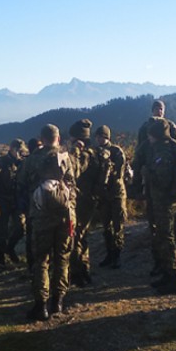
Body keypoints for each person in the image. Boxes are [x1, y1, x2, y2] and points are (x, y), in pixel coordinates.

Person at [132, 99, 176, 278]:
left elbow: (140, 167)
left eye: (160, 108)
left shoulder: (163, 143)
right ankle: (166, 263)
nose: (158, 111)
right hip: (170, 194)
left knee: (169, 230)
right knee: (166, 229)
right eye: (156, 108)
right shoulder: (156, 144)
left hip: (165, 194)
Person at [18, 124, 76, 321]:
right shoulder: (66, 158)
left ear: (41, 139)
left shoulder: (32, 159)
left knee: (41, 261)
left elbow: (22, 183)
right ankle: (58, 301)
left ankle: (41, 305)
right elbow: (73, 184)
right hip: (65, 216)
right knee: (62, 258)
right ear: (58, 139)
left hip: (40, 216)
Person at [144, 119, 176, 295]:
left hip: (165, 200)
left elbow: (162, 179)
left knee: (166, 237)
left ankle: (173, 277)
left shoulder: (162, 151)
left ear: (155, 135)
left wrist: (148, 174)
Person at [68, 119, 101, 287]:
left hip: (82, 201)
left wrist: (74, 151)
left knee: (75, 236)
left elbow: (74, 170)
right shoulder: (94, 152)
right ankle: (84, 269)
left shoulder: (84, 155)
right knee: (82, 236)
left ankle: (77, 273)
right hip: (89, 200)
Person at [94, 125, 127, 269]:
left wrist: (107, 168)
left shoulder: (116, 151)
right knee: (106, 226)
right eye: (98, 136)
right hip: (103, 195)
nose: (100, 139)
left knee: (117, 225)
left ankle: (117, 255)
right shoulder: (95, 152)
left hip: (116, 193)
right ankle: (109, 253)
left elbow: (119, 173)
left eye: (103, 136)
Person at [0, 138, 28, 265]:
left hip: (17, 201)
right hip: (3, 200)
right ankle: (0, 259)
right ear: (12, 149)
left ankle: (10, 248)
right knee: (1, 231)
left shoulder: (22, 163)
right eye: (18, 150)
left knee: (20, 228)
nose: (20, 152)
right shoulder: (1, 163)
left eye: (22, 150)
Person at [17, 137, 43, 275]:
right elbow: (21, 184)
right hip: (32, 205)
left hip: (41, 204)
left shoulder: (29, 162)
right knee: (31, 236)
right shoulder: (28, 163)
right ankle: (32, 266)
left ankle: (36, 266)